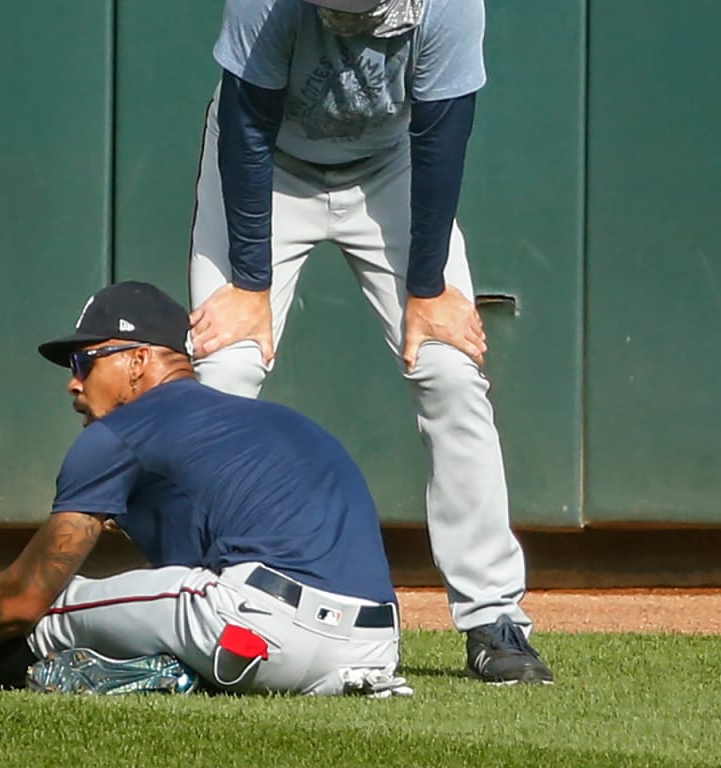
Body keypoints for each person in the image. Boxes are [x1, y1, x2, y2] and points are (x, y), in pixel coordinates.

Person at [186, 0, 553, 683]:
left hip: (392, 167)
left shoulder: (448, 6)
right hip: (268, 164)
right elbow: (246, 123)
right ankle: (198, 604)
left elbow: (443, 134)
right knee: (224, 371)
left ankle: (494, 617)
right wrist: (250, 283)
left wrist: (428, 289)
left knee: (450, 372)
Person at [0, 281, 412, 697]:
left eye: (84, 362)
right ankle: (156, 670)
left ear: (138, 361)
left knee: (55, 607)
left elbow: (22, 598)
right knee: (161, 599)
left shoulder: (121, 432)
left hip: (259, 632)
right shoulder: (276, 423)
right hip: (372, 652)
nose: (73, 383)